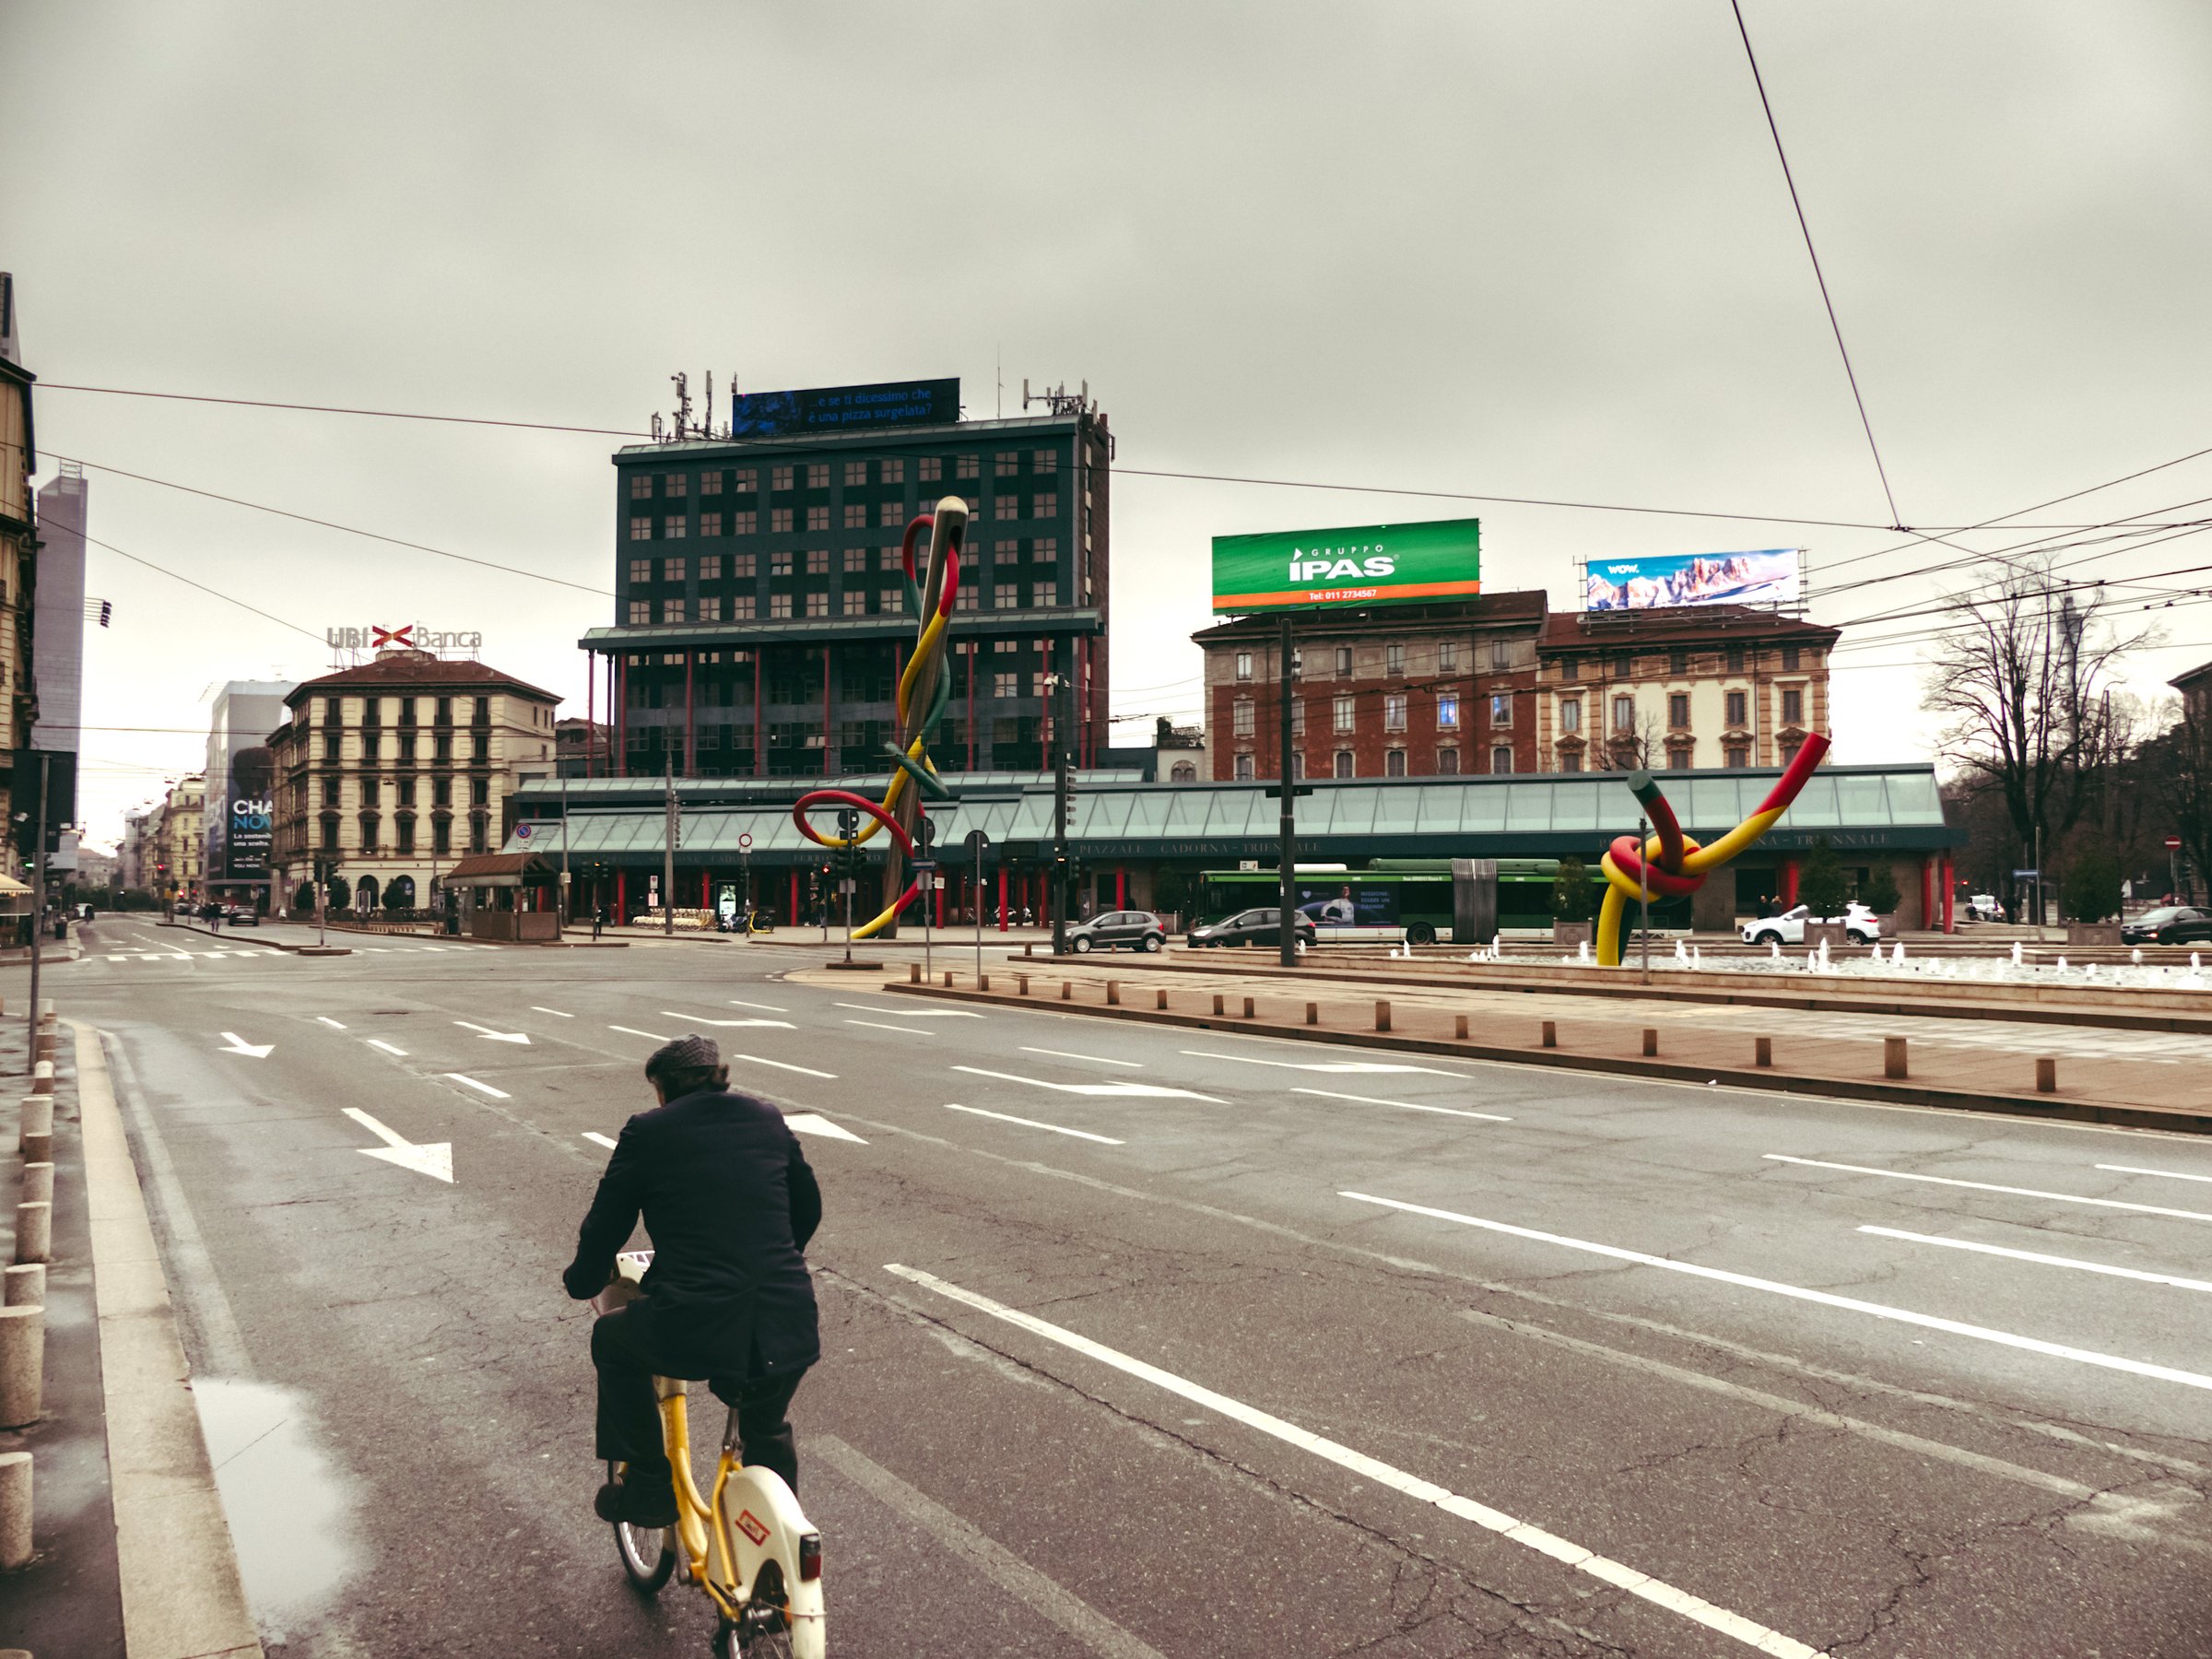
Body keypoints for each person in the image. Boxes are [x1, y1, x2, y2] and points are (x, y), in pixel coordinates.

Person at [563, 1035, 821, 1526]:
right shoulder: (766, 1117)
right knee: (767, 1428)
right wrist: (775, 1261)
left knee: (612, 1340)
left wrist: (583, 1280)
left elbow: (608, 1223)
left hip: (693, 1322)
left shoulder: (648, 1132)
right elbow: (807, 1206)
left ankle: (650, 1486)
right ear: (719, 1076)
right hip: (787, 1317)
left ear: (662, 1089)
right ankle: (782, 1543)